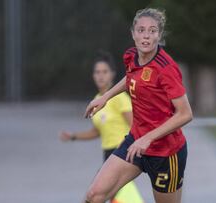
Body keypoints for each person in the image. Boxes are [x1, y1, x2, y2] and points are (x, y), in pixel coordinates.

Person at [84, 8, 193, 203]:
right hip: (134, 142)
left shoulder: (166, 68)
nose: (146, 35)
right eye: (141, 30)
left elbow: (185, 114)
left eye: (152, 31)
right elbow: (132, 78)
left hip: (166, 153)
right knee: (94, 195)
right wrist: (105, 97)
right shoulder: (131, 56)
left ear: (159, 35)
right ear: (133, 33)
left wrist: (148, 139)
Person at [59, 51, 143, 203]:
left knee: (94, 197)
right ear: (93, 76)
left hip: (121, 156)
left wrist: (126, 148)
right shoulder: (97, 100)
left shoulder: (119, 98)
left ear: (112, 74)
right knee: (101, 197)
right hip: (108, 156)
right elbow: (97, 131)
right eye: (97, 72)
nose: (101, 76)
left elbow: (136, 126)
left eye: (105, 72)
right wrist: (73, 136)